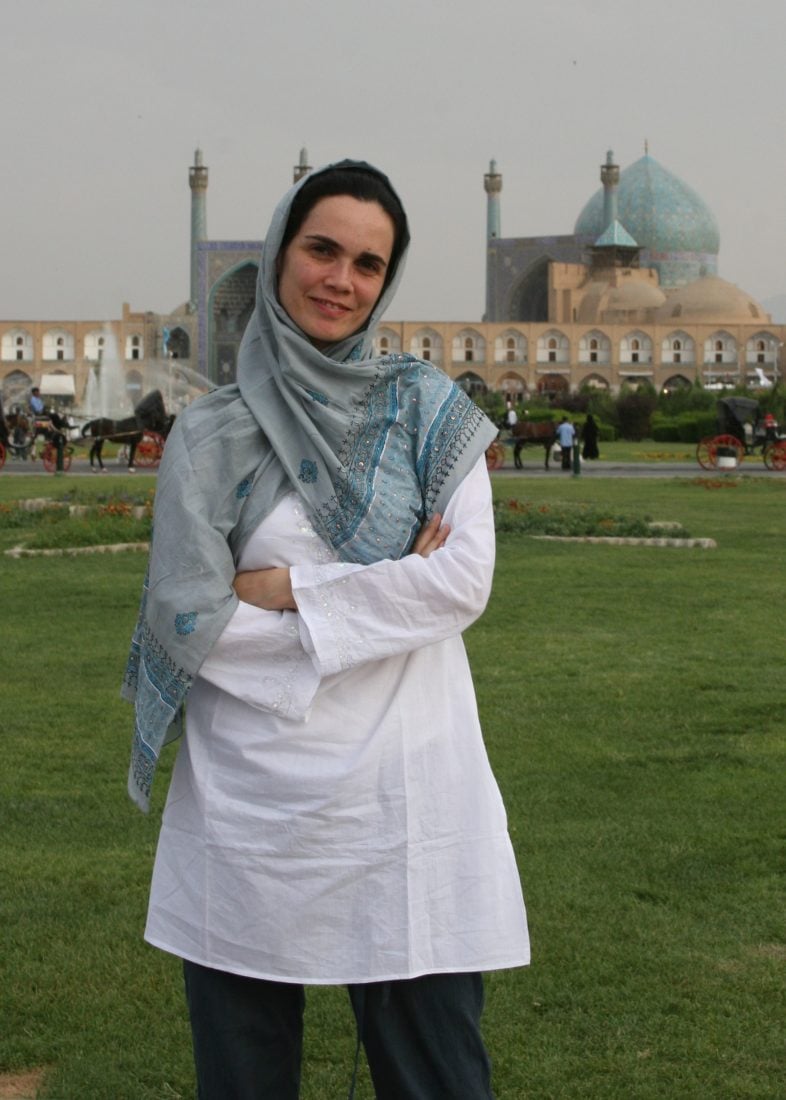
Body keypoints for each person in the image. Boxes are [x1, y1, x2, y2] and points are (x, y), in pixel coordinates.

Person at [123, 160, 529, 1100]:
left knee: (437, 1079)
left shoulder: (429, 412)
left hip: (404, 803)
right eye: (322, 250)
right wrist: (386, 595)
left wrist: (289, 590)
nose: (341, 280)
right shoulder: (210, 437)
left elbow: (460, 582)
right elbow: (192, 622)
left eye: (368, 263)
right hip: (250, 810)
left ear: (387, 281)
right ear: (276, 255)